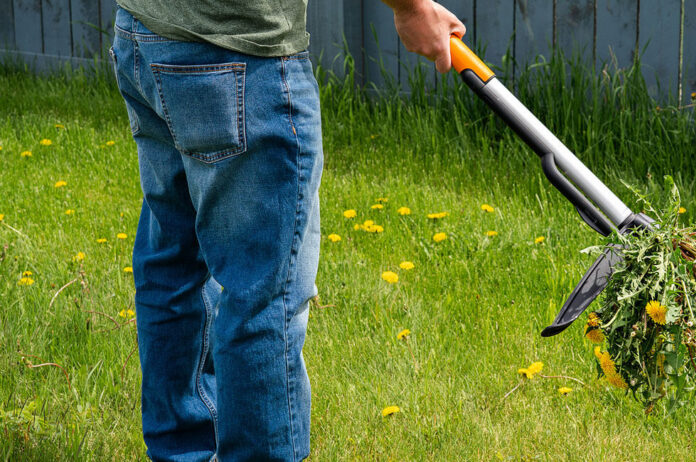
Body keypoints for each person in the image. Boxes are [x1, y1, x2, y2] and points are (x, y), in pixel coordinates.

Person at [108, 0, 464, 460]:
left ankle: (181, 453)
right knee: (261, 295)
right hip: (233, 48)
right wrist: (411, 8)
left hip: (143, 31)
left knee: (172, 267)